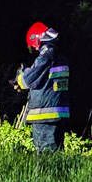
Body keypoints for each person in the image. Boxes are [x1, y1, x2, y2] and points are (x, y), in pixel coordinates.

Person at [13, 22, 70, 152]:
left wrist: (18, 79)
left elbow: (28, 79)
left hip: (44, 115)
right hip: (59, 113)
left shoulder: (46, 55)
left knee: (46, 156)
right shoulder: (60, 56)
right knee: (57, 155)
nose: (34, 50)